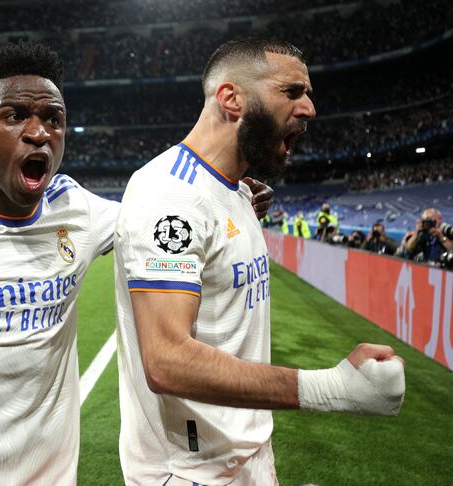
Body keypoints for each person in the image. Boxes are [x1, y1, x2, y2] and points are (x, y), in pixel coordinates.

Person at [0, 36, 273, 485]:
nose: (39, 131)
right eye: (15, 116)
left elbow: (167, 223)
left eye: (53, 118)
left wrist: (231, 198)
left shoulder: (79, 211)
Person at [113, 38, 405, 486]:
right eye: (292, 92)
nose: (309, 108)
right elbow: (166, 360)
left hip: (243, 456)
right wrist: (334, 388)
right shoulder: (169, 194)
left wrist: (240, 197)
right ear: (232, 99)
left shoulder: (233, 190)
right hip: (190, 472)